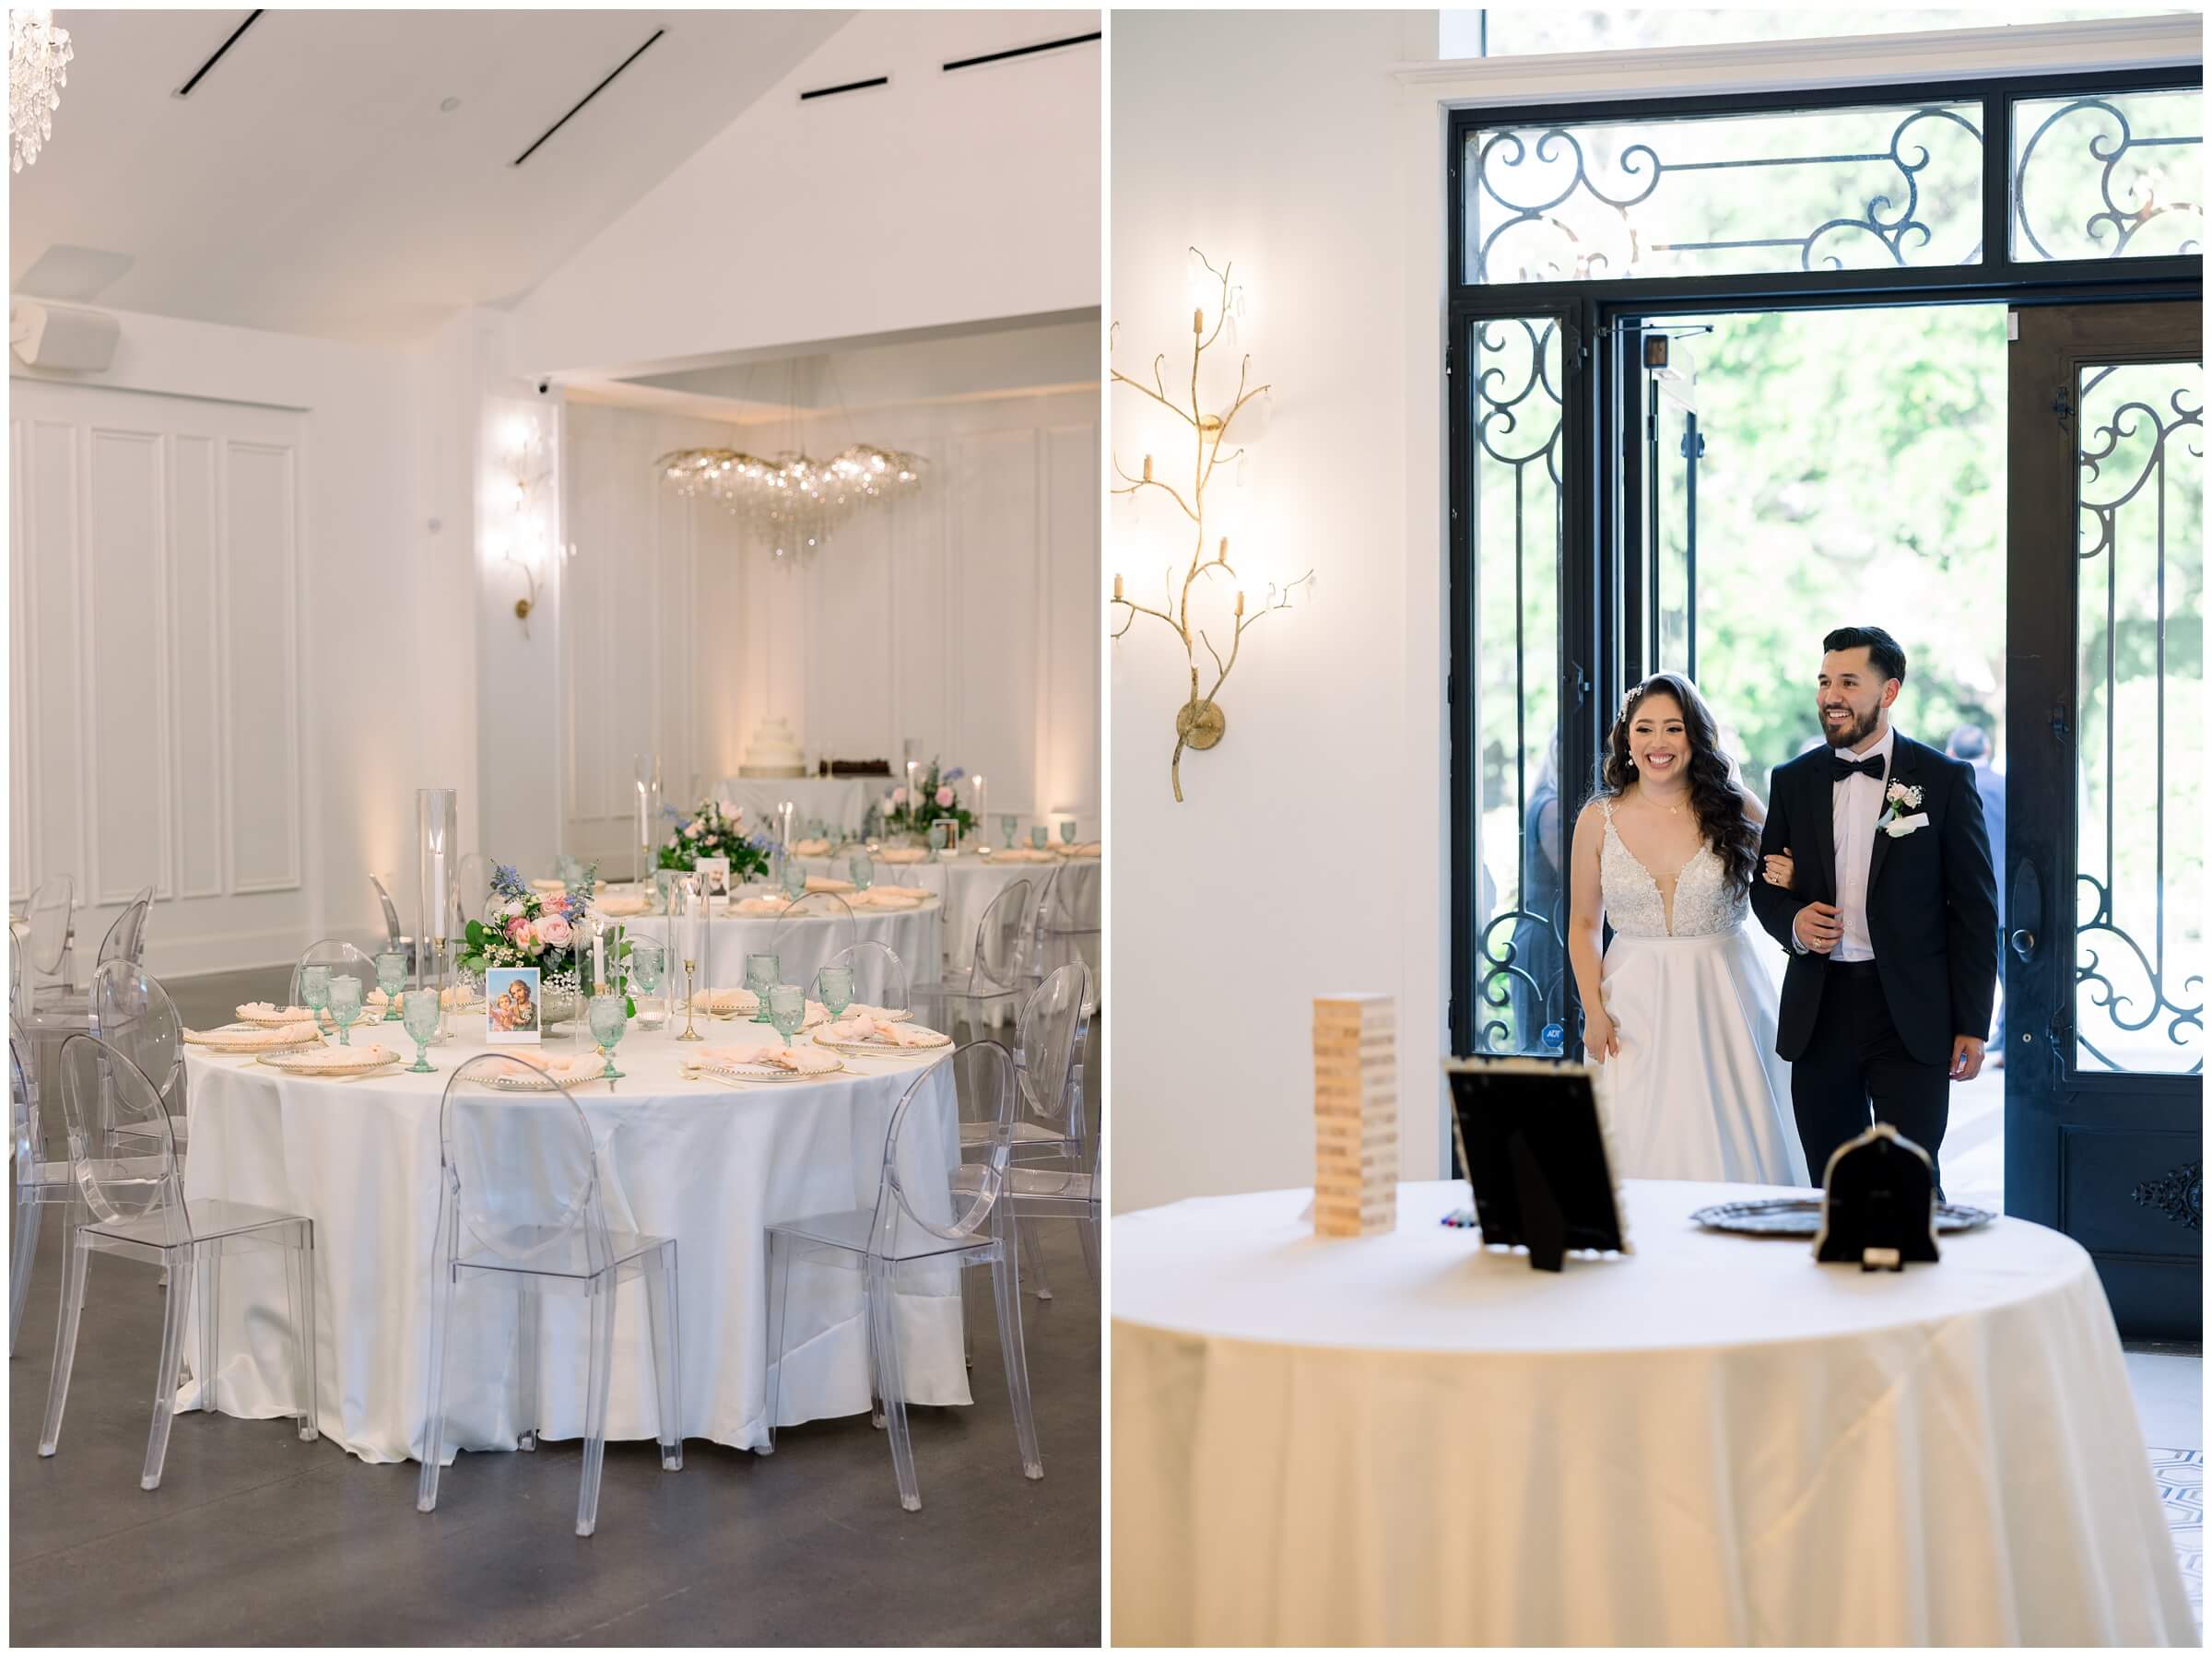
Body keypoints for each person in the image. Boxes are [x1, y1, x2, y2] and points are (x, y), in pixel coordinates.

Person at [1747, 626, 2000, 1197]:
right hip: (1821, 1012)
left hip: (1910, 1014)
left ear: (1888, 693)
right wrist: (1792, 922)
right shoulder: (1792, 781)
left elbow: (1975, 911)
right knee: (1833, 1186)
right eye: (1824, 682)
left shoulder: (1943, 780)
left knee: (1910, 1183)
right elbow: (1763, 887)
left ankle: (1923, 1285)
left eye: (1847, 682)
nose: (1830, 696)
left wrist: (1971, 1024)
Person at [1566, 672, 1807, 1184]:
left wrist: (1791, 875)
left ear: (1695, 737)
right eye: (1645, 728)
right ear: (1626, 738)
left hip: (1725, 996)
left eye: (1673, 729)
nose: (1659, 743)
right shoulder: (1598, 819)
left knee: (1734, 1130)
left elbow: (1791, 885)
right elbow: (1585, 923)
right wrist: (1592, 1009)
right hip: (1632, 1000)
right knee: (1636, 1135)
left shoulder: (1738, 807)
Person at [1948, 722, 2008, 1058]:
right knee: (2009, 974)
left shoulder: (1949, 785)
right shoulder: (2006, 785)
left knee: (1973, 968)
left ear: (1952, 753)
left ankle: (1988, 1033)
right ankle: (2006, 1035)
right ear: (1987, 750)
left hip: (1966, 895)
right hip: (2009, 892)